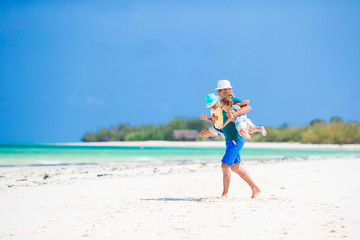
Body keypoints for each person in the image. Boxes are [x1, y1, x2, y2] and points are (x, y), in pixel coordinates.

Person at [215, 79, 261, 199]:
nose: (220, 92)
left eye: (221, 90)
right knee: (235, 167)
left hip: (235, 139)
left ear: (227, 90)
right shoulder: (223, 102)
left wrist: (235, 114)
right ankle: (255, 188)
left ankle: (225, 195)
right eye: (219, 91)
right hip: (230, 139)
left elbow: (248, 108)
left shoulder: (232, 100)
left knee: (225, 166)